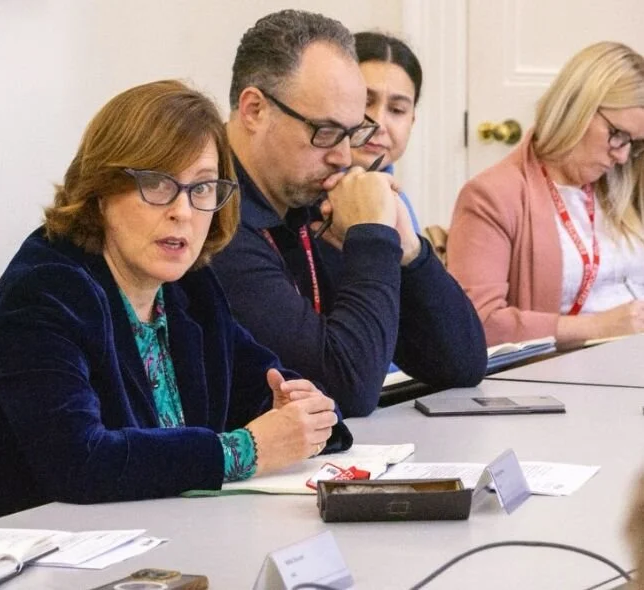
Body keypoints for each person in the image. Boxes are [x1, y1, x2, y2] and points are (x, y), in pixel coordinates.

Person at [0, 80, 351, 531]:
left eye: (202, 188)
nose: (183, 211)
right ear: (101, 191)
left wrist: (302, 415)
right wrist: (247, 450)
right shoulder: (47, 287)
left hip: (133, 543)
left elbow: (273, 389)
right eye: (157, 183)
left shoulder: (189, 289)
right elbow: (77, 460)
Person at [211, 10, 486, 418]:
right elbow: (348, 388)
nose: (343, 156)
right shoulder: (211, 218)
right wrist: (371, 238)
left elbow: (461, 364)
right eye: (325, 132)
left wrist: (409, 251)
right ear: (254, 110)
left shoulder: (311, 199)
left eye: (352, 132)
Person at [448, 41, 644, 347]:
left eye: (635, 142)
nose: (622, 156)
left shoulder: (625, 181)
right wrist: (597, 327)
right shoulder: (491, 196)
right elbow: (476, 324)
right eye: (617, 135)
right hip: (564, 366)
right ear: (577, 109)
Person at [349, 31, 423, 233]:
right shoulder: (302, 199)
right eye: (364, 102)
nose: (379, 124)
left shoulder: (397, 199)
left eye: (397, 110)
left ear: (412, 120)